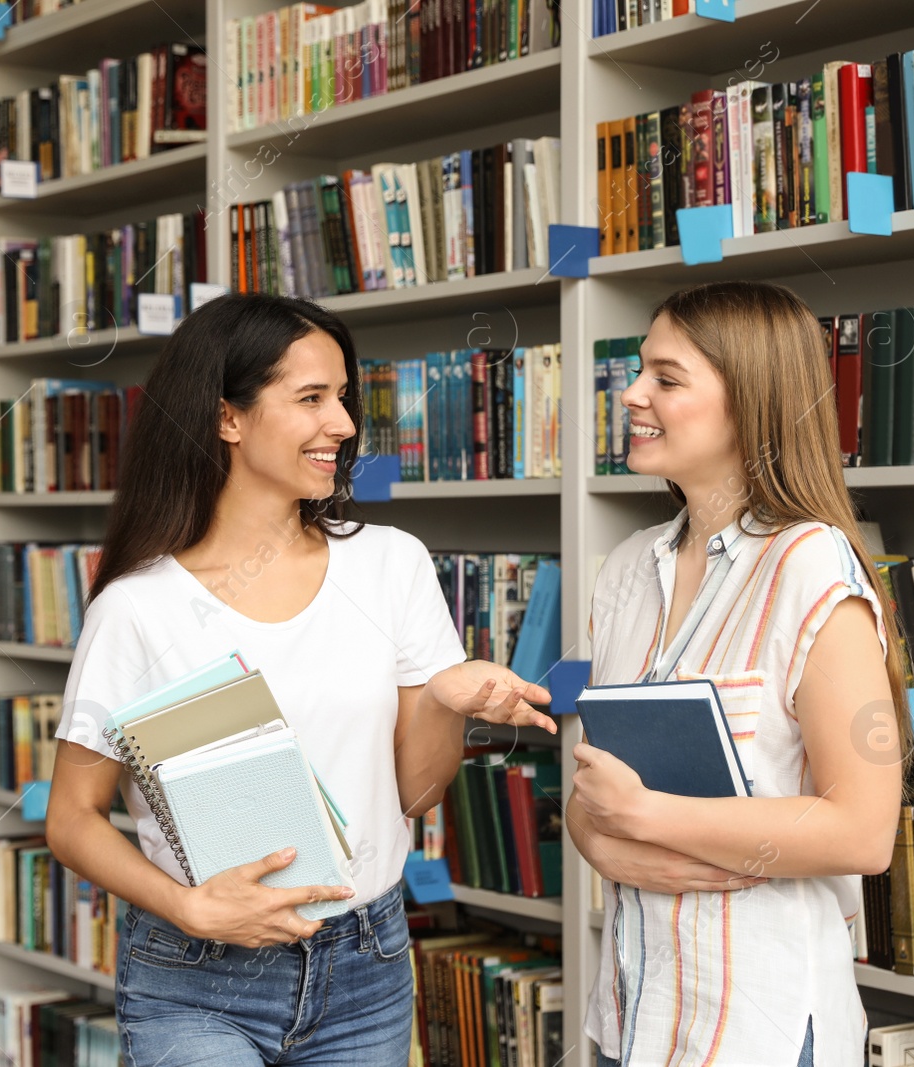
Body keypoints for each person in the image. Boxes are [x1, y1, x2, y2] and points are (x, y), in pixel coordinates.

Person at [46, 292, 555, 1066]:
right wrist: (189, 904)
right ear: (228, 418)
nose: (345, 425)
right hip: (197, 972)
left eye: (344, 397)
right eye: (312, 398)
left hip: (364, 960)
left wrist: (448, 702)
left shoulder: (392, 564)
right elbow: (71, 817)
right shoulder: (138, 608)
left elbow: (415, 795)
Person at [567, 282, 914, 1067]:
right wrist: (597, 838)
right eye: (638, 372)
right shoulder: (625, 569)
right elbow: (595, 793)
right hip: (631, 1016)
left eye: (666, 377)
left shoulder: (808, 562)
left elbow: (862, 831)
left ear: (749, 401)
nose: (631, 394)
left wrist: (646, 819)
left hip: (756, 1027)